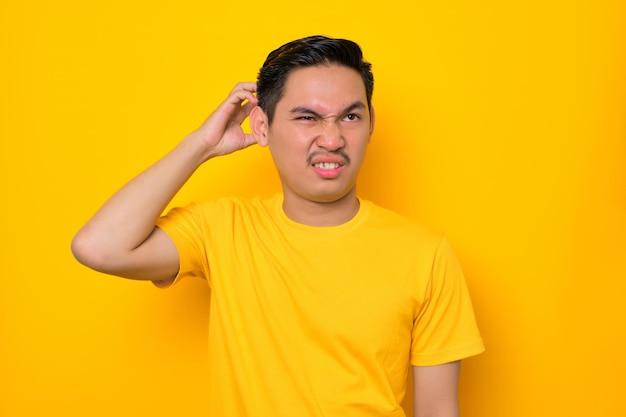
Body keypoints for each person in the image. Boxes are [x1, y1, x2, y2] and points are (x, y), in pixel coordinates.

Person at [72, 35, 484, 417]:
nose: (332, 139)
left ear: (371, 123)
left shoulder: (426, 253)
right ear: (262, 126)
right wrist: (201, 144)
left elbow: (437, 411)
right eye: (307, 117)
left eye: (350, 116)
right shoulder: (222, 229)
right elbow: (100, 248)